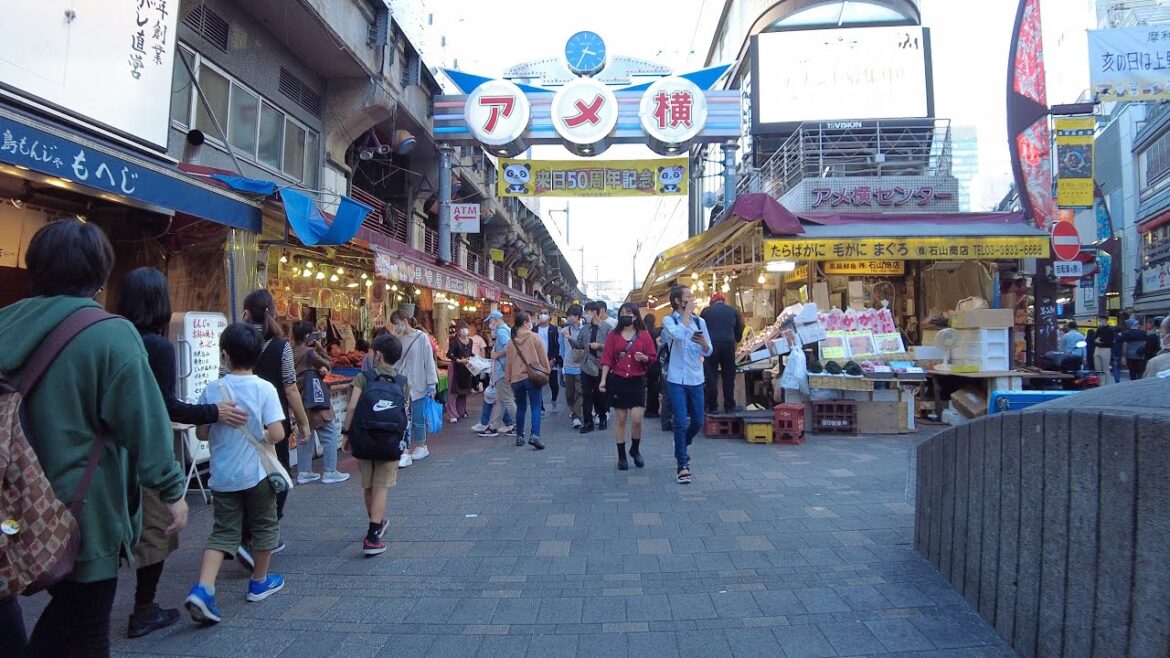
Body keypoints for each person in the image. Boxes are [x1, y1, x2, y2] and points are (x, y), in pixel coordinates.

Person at [0, 221, 188, 656]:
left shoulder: (8, 322)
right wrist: (172, 491)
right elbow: (145, 422)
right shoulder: (108, 334)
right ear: (104, 274)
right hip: (78, 513)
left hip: (9, 503)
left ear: (35, 267)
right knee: (84, 627)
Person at [116, 267, 250, 639]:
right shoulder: (157, 347)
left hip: (109, 452)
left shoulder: (114, 339)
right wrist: (213, 412)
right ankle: (143, 609)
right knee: (159, 531)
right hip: (146, 454)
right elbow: (164, 407)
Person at [185, 324, 287, 625]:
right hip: (257, 474)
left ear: (224, 354)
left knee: (223, 532)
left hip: (222, 475)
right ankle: (259, 582)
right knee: (265, 525)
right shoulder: (264, 388)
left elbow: (203, 432)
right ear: (257, 355)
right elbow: (278, 433)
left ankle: (204, 588)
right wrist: (261, 434)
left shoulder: (213, 389)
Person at [236, 289, 311, 567]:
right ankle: (266, 531)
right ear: (272, 310)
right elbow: (290, 387)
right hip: (273, 421)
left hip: (239, 422)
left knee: (246, 475)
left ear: (246, 312)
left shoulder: (236, 339)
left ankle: (245, 533)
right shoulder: (281, 346)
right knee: (278, 476)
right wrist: (303, 423)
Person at [341, 332, 404, 556]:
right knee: (382, 486)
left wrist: (346, 434)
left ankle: (376, 523)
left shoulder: (363, 378)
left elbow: (351, 408)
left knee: (368, 485)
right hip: (389, 440)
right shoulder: (401, 381)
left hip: (364, 438)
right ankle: (373, 534)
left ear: (377, 355)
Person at [661, 285, 713, 484]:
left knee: (698, 421)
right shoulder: (669, 320)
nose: (692, 299)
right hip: (676, 379)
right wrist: (687, 314)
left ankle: (682, 444)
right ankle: (682, 465)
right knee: (681, 421)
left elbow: (709, 350)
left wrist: (703, 344)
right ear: (677, 301)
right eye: (688, 297)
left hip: (696, 378)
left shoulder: (701, 321)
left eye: (692, 296)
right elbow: (678, 335)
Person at [598, 303, 656, 470]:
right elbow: (607, 359)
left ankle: (635, 449)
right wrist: (603, 380)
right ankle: (621, 456)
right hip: (618, 381)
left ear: (635, 316)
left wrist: (644, 358)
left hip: (637, 381)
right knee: (621, 419)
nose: (625, 315)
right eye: (622, 313)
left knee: (637, 419)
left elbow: (652, 357)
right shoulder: (613, 336)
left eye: (628, 313)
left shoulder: (644, 336)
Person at [291, 321, 349, 485]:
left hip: (299, 398)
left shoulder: (290, 351)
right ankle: (330, 471)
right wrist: (319, 347)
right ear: (307, 336)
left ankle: (304, 471)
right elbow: (326, 363)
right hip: (314, 397)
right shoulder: (308, 352)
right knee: (329, 432)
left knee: (305, 433)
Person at [391, 309, 439, 465]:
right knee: (403, 417)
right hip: (402, 384)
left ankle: (421, 445)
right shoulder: (397, 339)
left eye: (397, 324)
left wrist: (432, 384)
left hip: (419, 383)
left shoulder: (421, 337)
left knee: (418, 417)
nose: (396, 328)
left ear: (405, 321)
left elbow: (428, 361)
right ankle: (405, 449)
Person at [505, 312, 551, 450]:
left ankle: (520, 436)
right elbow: (543, 358)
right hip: (532, 377)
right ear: (525, 322)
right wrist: (547, 371)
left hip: (516, 379)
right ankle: (534, 436)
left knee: (521, 407)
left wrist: (509, 378)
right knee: (536, 406)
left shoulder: (511, 342)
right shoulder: (534, 337)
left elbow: (508, 363)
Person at [570, 301, 612, 434]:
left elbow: (612, 346)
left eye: (587, 312)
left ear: (594, 312)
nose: (585, 315)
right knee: (586, 394)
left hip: (601, 366)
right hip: (586, 366)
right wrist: (570, 339)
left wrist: (599, 345)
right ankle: (588, 421)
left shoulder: (607, 328)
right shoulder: (585, 328)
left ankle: (602, 417)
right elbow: (580, 344)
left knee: (600, 394)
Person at [700, 291, 745, 413]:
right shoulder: (733, 311)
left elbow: (699, 328)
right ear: (723, 301)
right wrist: (737, 338)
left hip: (711, 345)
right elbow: (740, 326)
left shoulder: (705, 311)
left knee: (711, 376)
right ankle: (730, 406)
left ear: (712, 302)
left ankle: (712, 406)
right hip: (728, 344)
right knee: (728, 376)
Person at [478, 311, 519, 438]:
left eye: (491, 321)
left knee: (506, 399)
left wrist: (496, 355)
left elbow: (509, 347)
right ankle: (493, 427)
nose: (490, 324)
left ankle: (518, 425)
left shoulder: (501, 331)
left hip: (502, 371)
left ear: (496, 320)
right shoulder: (507, 329)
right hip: (504, 370)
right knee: (500, 400)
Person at [560, 304, 586, 429]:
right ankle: (574, 410)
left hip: (581, 366)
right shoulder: (564, 331)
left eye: (571, 315)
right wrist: (562, 364)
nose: (569, 318)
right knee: (570, 393)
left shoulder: (585, 329)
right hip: (568, 365)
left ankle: (576, 416)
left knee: (580, 391)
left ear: (578, 316)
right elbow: (562, 348)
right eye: (568, 315)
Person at [446, 321, 474, 422]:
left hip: (465, 368)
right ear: (458, 330)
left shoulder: (470, 341)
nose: (464, 330)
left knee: (464, 391)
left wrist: (476, 360)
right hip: (455, 368)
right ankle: (452, 413)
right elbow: (449, 354)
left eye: (465, 328)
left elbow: (470, 353)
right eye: (461, 328)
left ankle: (461, 411)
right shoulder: (455, 341)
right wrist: (458, 360)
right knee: (453, 392)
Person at [535, 310, 561, 414]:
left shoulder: (554, 330)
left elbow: (557, 345)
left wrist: (553, 359)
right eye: (541, 313)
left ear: (549, 316)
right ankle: (540, 407)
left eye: (546, 313)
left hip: (551, 360)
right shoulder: (534, 329)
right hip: (537, 361)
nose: (543, 315)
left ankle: (554, 400)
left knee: (553, 384)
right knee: (538, 384)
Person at [643, 313, 662, 419]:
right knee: (654, 388)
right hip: (654, 363)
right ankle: (652, 410)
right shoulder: (655, 333)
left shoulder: (643, 332)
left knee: (650, 388)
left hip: (646, 362)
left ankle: (649, 410)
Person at [1095, 316, 1119, 384]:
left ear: (1105, 320)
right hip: (1097, 348)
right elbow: (1095, 337)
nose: (1099, 321)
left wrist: (1100, 341)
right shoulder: (1099, 329)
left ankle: (1107, 383)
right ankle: (1100, 382)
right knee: (1098, 368)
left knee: (1105, 368)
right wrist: (1096, 340)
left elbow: (1109, 340)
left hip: (1106, 349)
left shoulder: (1110, 329)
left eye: (1101, 320)